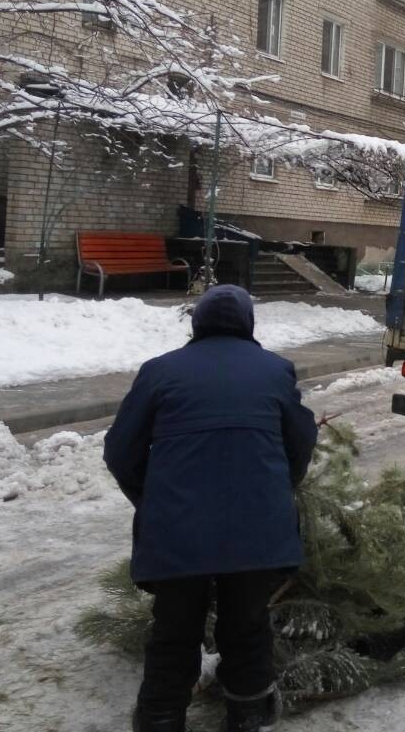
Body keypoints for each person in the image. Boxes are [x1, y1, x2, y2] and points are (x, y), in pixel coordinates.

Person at [104, 285, 318, 732]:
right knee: (247, 625)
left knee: (174, 628)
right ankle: (247, 715)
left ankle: (161, 717)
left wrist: (154, 499)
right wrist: (279, 489)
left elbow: (120, 451)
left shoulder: (159, 372)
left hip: (178, 529)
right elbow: (300, 443)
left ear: (197, 324)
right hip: (257, 529)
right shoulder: (275, 370)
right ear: (248, 324)